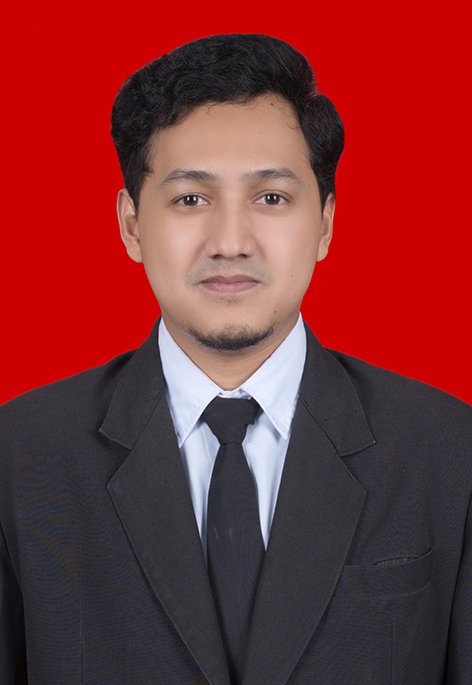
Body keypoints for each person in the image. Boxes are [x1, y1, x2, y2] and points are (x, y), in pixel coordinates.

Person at [0, 33, 470, 685]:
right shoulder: (20, 457)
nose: (229, 242)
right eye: (191, 199)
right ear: (131, 225)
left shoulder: (447, 451)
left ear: (326, 222)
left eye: (270, 197)